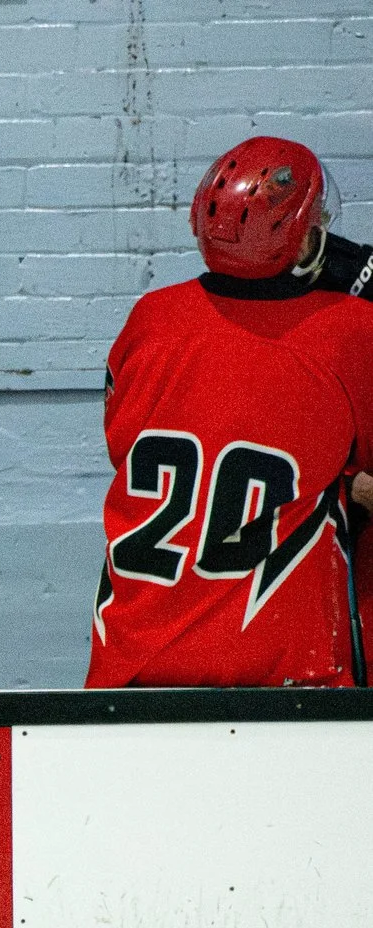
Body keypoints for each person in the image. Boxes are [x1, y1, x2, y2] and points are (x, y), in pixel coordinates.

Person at [87, 137, 373, 688]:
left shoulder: (150, 319)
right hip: (280, 666)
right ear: (299, 234)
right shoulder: (349, 331)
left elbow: (125, 446)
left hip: (131, 661)